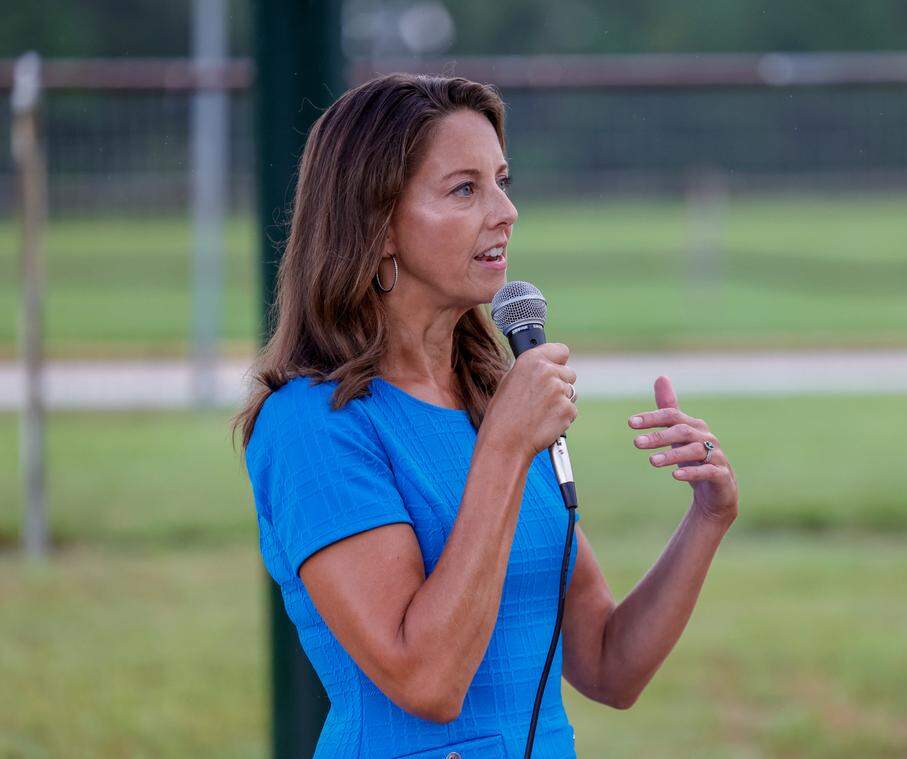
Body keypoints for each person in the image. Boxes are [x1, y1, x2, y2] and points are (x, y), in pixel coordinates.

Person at [232, 72, 740, 758]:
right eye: (464, 188)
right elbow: (428, 680)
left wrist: (706, 518)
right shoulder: (313, 428)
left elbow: (608, 663)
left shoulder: (489, 402)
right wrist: (502, 448)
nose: (505, 210)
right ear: (378, 223)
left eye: (501, 180)